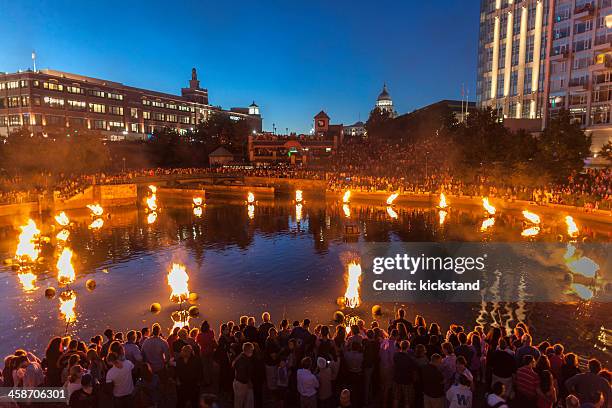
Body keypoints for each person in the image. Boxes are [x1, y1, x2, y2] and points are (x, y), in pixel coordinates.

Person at [392, 340, 417, 408]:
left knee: (396, 398)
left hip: (397, 379)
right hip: (407, 380)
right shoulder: (410, 358)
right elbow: (413, 370)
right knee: (407, 400)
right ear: (408, 347)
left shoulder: (396, 355)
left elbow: (393, 366)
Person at [233, 342, 255, 408]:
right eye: (251, 350)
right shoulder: (243, 360)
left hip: (240, 382)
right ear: (248, 350)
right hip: (241, 383)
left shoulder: (241, 357)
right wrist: (249, 382)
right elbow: (242, 373)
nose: (252, 352)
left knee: (241, 402)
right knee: (239, 402)